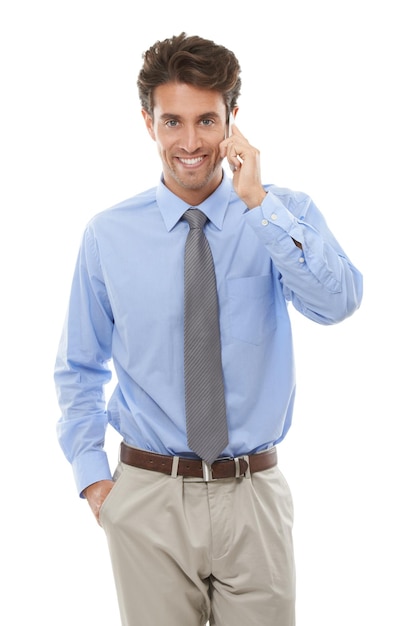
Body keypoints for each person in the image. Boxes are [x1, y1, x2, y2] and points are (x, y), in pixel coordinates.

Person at [54, 32, 363, 626]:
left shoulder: (280, 213)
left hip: (253, 495)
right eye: (172, 121)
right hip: (148, 497)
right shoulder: (108, 235)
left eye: (206, 121)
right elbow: (79, 365)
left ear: (233, 121)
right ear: (149, 123)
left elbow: (339, 303)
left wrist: (259, 207)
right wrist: (94, 480)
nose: (190, 142)